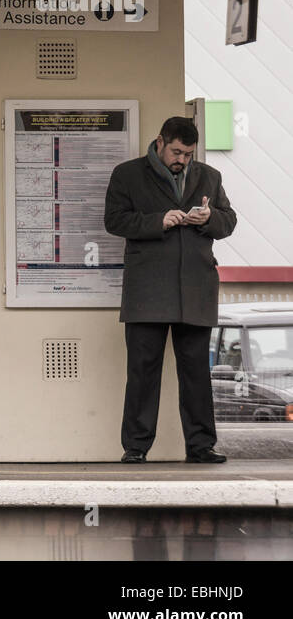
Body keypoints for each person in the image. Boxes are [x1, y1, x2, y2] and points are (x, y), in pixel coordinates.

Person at [104, 116, 238, 465]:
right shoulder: (127, 174)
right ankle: (135, 447)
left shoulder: (209, 176)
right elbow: (114, 220)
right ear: (159, 142)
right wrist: (156, 221)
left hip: (195, 289)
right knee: (142, 371)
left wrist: (208, 218)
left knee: (196, 373)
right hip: (147, 290)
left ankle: (200, 446)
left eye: (188, 154)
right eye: (177, 152)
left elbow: (229, 222)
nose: (182, 160)